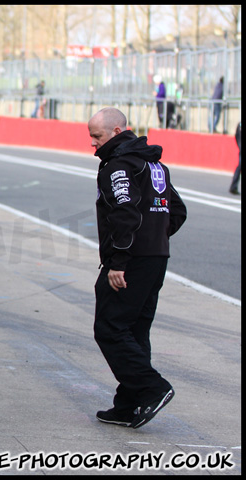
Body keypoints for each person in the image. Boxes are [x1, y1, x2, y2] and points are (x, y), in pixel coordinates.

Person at [87, 107, 187, 429]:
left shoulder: (118, 166)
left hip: (130, 261)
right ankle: (129, 404)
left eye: (97, 137)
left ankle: (151, 388)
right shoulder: (154, 164)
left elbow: (125, 213)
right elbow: (178, 211)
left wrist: (120, 261)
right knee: (134, 330)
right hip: (156, 258)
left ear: (116, 132)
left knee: (110, 328)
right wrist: (154, 237)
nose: (93, 144)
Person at [229, 122, 241, 195]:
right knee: (239, 167)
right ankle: (233, 187)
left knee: (239, 167)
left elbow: (236, 136)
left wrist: (239, 146)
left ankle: (233, 187)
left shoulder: (239, 124)